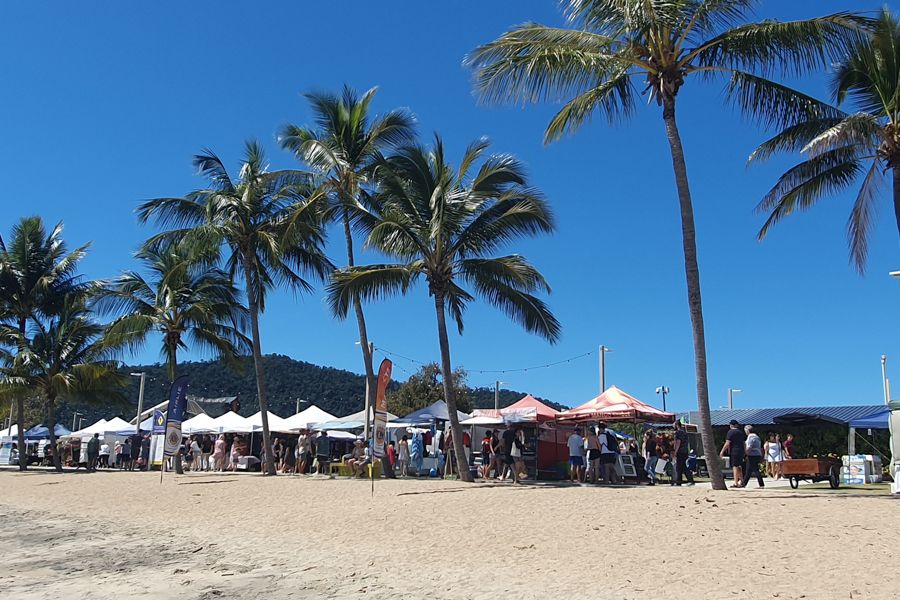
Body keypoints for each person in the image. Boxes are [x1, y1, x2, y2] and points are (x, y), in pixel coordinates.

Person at [719, 420, 746, 488]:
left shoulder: (730, 432)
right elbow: (744, 443)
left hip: (734, 451)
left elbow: (727, 443)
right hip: (741, 451)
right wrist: (745, 451)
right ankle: (742, 481)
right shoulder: (740, 432)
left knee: (735, 466)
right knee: (739, 466)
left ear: (731, 425)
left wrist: (722, 451)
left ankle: (736, 482)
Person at [672, 421, 694, 486]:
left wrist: (675, 452)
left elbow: (678, 443)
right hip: (685, 452)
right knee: (680, 467)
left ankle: (689, 480)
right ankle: (679, 481)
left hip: (680, 452)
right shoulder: (685, 433)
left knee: (681, 467)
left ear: (676, 425)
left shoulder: (678, 433)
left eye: (674, 425)